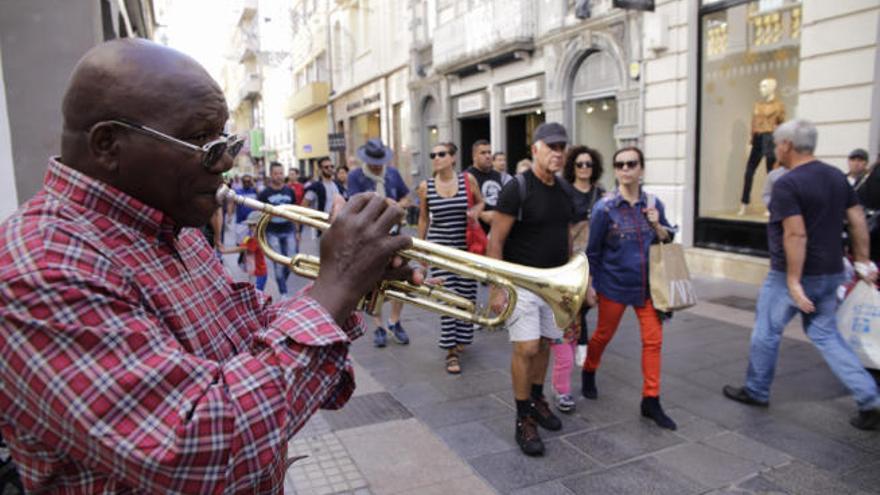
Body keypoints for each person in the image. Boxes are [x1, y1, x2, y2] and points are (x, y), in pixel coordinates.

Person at [0, 39, 418, 493]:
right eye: (202, 140)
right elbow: (201, 449)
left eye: (226, 140)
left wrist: (351, 284)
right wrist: (333, 287)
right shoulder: (39, 267)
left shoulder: (173, 222)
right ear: (108, 145)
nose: (226, 161)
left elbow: (248, 337)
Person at [723, 119, 880, 430]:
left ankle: (756, 390)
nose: (775, 150)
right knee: (826, 335)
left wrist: (794, 281)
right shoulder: (837, 177)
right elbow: (858, 220)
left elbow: (795, 235)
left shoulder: (788, 184)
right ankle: (869, 398)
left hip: (791, 276)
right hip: (832, 271)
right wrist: (862, 262)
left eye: (777, 144)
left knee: (767, 330)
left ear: (787, 146)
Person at [488, 122, 574, 456]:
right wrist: (498, 288)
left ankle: (537, 398)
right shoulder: (517, 188)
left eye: (561, 147)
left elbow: (566, 235)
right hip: (521, 284)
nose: (558, 153)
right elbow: (496, 240)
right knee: (526, 348)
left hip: (554, 285)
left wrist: (571, 283)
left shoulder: (564, 190)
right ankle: (523, 417)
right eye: (551, 146)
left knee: (545, 346)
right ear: (535, 149)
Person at [581, 146, 678, 430]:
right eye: (620, 165)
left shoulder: (653, 203)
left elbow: (668, 238)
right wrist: (590, 285)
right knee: (602, 335)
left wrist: (657, 225)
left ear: (641, 169)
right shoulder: (604, 208)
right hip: (614, 284)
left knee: (653, 341)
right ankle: (589, 369)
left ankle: (651, 399)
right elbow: (593, 252)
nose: (625, 169)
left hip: (649, 288)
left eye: (631, 164)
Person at [416, 143, 484, 374]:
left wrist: (476, 211)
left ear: (453, 158)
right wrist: (422, 250)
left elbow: (481, 201)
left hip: (465, 248)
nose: (436, 158)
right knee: (447, 296)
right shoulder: (426, 186)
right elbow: (424, 219)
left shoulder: (468, 180)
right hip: (440, 248)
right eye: (432, 155)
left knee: (466, 295)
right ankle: (451, 351)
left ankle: (462, 338)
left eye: (441, 154)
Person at [550, 145, 606, 413]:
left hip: (593, 262)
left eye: (589, 164)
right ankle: (563, 383)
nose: (584, 168)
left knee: (583, 310)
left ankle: (576, 355)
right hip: (567, 262)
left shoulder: (602, 194)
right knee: (570, 316)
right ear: (573, 166)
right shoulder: (563, 191)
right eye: (580, 164)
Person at [348, 138, 413, 347]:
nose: (377, 165)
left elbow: (407, 198)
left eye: (379, 161)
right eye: (373, 161)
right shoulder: (356, 176)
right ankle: (378, 326)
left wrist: (398, 205)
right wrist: (384, 205)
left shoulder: (392, 174)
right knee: (374, 282)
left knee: (401, 278)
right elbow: (354, 203)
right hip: (369, 237)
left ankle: (395, 321)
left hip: (394, 234)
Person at [258, 161, 300, 297]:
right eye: (276, 173)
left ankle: (283, 283)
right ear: (271, 175)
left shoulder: (290, 191)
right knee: (278, 263)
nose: (279, 176)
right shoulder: (264, 194)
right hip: (272, 232)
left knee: (292, 260)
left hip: (289, 230)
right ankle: (283, 292)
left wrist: (297, 231)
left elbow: (295, 212)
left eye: (281, 173)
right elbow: (260, 215)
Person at [220, 211, 269, 291]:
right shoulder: (251, 236)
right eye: (249, 225)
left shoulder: (256, 239)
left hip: (259, 274)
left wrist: (224, 251)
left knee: (257, 294)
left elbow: (241, 248)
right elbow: (243, 245)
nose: (250, 228)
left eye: (252, 225)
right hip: (254, 272)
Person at [466, 139, 503, 233]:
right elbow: (463, 205)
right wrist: (482, 214)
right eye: (483, 153)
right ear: (474, 156)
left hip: (497, 230)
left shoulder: (497, 175)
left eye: (489, 152)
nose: (487, 156)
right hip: (478, 232)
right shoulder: (467, 176)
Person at [303, 157, 344, 237]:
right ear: (320, 170)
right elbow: (304, 206)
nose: (330, 169)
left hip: (339, 225)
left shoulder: (338, 185)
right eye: (326, 167)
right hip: (321, 227)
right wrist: (315, 219)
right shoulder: (315, 187)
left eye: (332, 166)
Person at [228, 172, 259, 244]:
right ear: (242, 181)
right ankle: (241, 255)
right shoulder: (238, 192)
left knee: (252, 243)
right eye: (245, 181)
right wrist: (229, 215)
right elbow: (231, 204)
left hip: (253, 223)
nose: (247, 183)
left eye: (248, 181)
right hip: (241, 222)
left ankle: (249, 255)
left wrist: (253, 183)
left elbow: (260, 198)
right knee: (241, 242)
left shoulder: (254, 191)